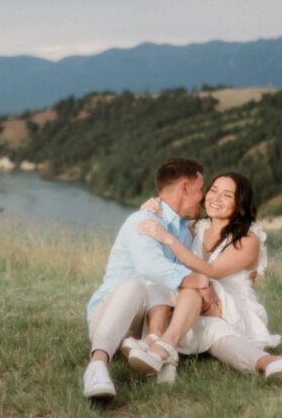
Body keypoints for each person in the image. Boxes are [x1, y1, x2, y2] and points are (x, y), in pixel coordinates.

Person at [131, 171, 282, 382]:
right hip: (197, 305)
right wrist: (151, 209)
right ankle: (271, 363)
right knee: (174, 295)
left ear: (240, 203)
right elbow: (162, 227)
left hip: (230, 308)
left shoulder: (248, 237)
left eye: (227, 195)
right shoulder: (195, 227)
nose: (216, 198)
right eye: (213, 191)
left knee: (196, 289)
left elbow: (212, 271)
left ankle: (162, 347)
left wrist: (169, 239)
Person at [83, 157, 221, 399]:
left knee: (171, 299)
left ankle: (159, 353)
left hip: (150, 323)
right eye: (200, 189)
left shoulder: (184, 232)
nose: (202, 196)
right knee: (136, 286)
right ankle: (97, 366)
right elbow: (150, 266)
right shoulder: (143, 220)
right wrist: (195, 279)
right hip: (113, 315)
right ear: (185, 188)